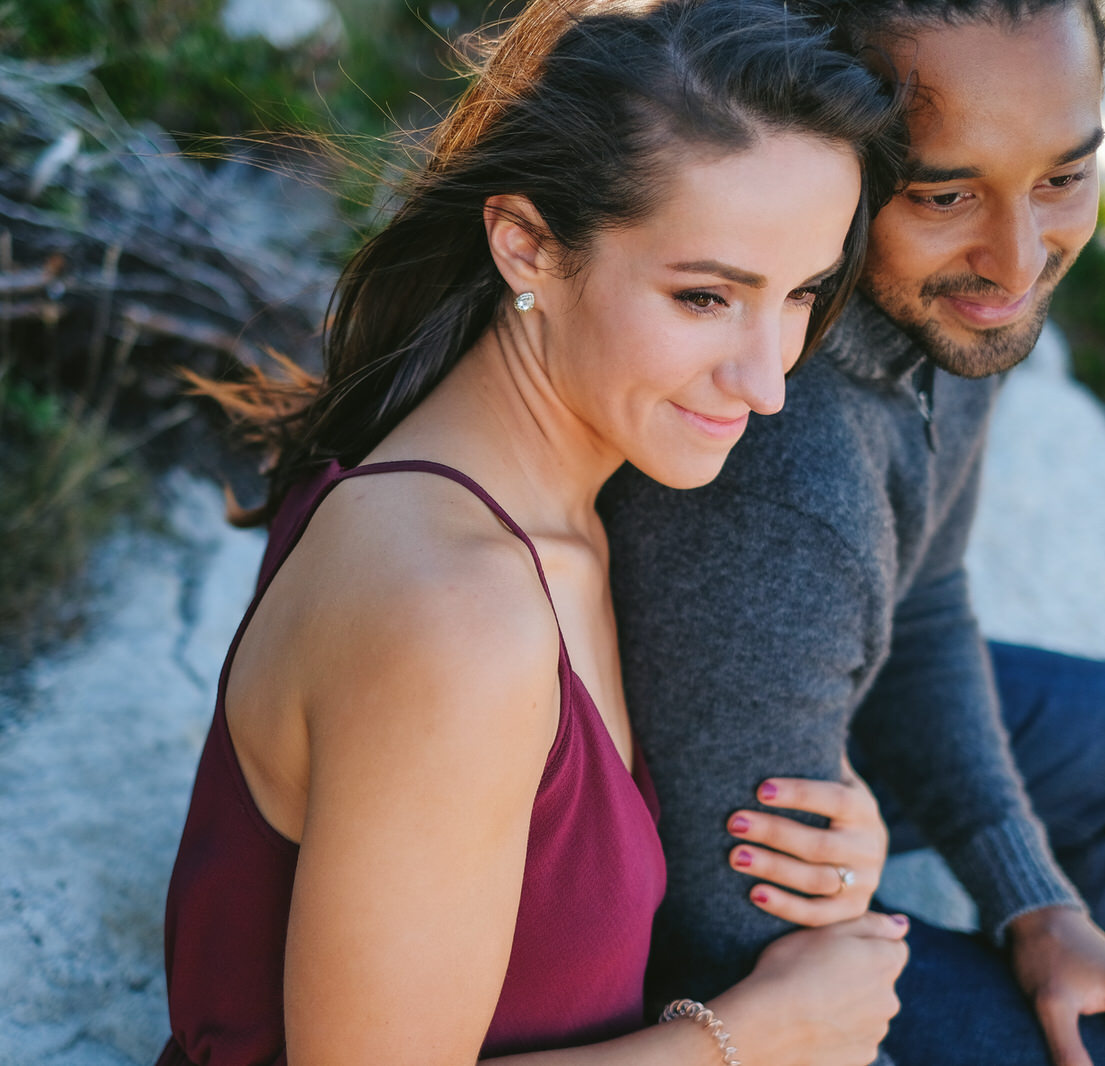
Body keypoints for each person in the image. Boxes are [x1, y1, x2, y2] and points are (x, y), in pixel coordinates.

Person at [153, 2, 916, 1064]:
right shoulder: (458, 617)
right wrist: (751, 1039)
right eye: (705, 296)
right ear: (528, 248)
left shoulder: (557, 491)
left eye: (800, 294)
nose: (768, 381)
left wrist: (835, 823)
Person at [598, 2, 1105, 1065]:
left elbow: (923, 599)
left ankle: (1090, 975)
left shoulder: (945, 307)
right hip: (709, 916)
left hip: (808, 727)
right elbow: (738, 940)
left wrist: (1039, 909)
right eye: (945, 193)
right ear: (834, 149)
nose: (1018, 260)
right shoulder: (777, 483)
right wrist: (869, 888)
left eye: (1061, 178)